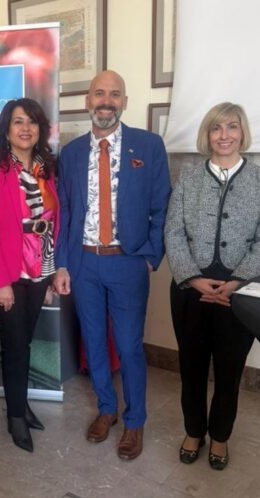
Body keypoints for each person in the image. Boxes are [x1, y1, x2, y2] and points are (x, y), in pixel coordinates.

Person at [54, 70, 170, 460]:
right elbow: (65, 211)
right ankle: (107, 409)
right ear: (88, 100)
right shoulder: (71, 153)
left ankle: (134, 420)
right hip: (84, 262)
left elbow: (161, 205)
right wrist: (63, 264)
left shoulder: (148, 146)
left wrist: (150, 257)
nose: (106, 101)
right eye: (99, 93)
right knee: (93, 341)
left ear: (124, 102)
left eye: (115, 94)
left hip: (128, 262)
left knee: (129, 346)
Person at [165, 102, 260, 470]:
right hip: (190, 290)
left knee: (229, 372)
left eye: (232, 127)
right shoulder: (189, 177)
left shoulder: (258, 178)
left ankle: (220, 436)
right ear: (207, 134)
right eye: (216, 128)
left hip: (240, 294)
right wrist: (192, 278)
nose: (224, 135)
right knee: (191, 368)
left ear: (242, 132)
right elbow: (173, 231)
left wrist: (235, 283)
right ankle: (194, 431)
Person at [0, 98, 59, 453]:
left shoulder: (46, 170)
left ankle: (21, 404)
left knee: (23, 343)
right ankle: (15, 418)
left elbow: (52, 222)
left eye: (32, 122)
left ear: (41, 129)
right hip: (9, 273)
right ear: (6, 131)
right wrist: (1, 283)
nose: (26, 128)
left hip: (40, 269)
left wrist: (50, 274)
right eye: (18, 122)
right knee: (13, 345)